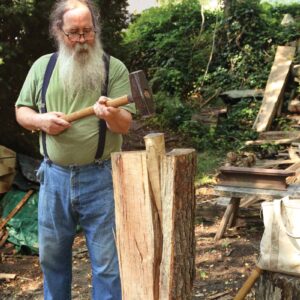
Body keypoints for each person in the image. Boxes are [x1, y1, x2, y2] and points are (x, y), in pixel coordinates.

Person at [15, 0, 135, 299]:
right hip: (53, 178)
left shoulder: (113, 68)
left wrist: (112, 114)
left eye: (87, 31)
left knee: (108, 263)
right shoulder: (43, 67)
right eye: (74, 33)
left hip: (101, 178)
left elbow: (125, 126)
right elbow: (22, 111)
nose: (81, 40)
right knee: (52, 259)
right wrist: (41, 121)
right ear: (59, 31)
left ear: (96, 29)